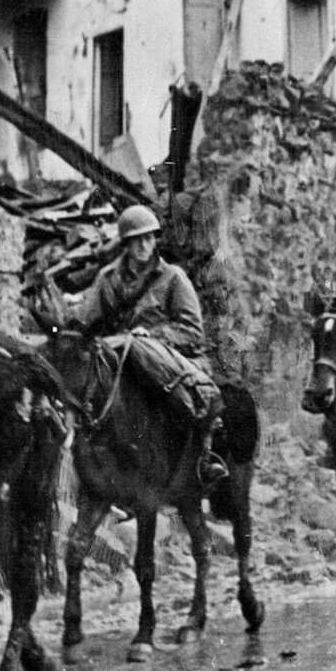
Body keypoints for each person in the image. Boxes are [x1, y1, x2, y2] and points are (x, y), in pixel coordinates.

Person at [70, 204, 229, 486]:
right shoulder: (108, 278)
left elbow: (192, 332)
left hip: (171, 361)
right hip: (119, 359)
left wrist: (154, 335)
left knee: (187, 400)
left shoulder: (173, 278)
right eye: (136, 239)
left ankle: (201, 456)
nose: (144, 245)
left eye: (148, 238)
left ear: (155, 240)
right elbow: (84, 322)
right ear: (126, 243)